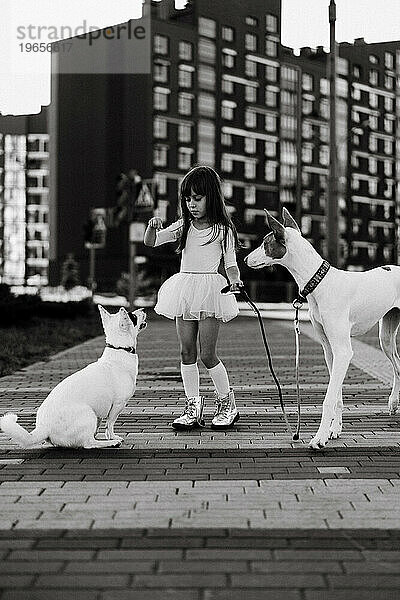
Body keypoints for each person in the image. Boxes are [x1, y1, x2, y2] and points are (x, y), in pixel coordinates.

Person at [144, 165, 243, 431]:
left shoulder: (223, 230)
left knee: (207, 354)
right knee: (187, 351)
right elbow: (152, 242)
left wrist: (234, 280)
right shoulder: (183, 227)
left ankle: (226, 403)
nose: (192, 204)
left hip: (211, 291)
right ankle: (193, 406)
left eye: (197, 198)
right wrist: (153, 228)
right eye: (188, 199)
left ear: (211, 196)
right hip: (186, 290)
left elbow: (231, 263)